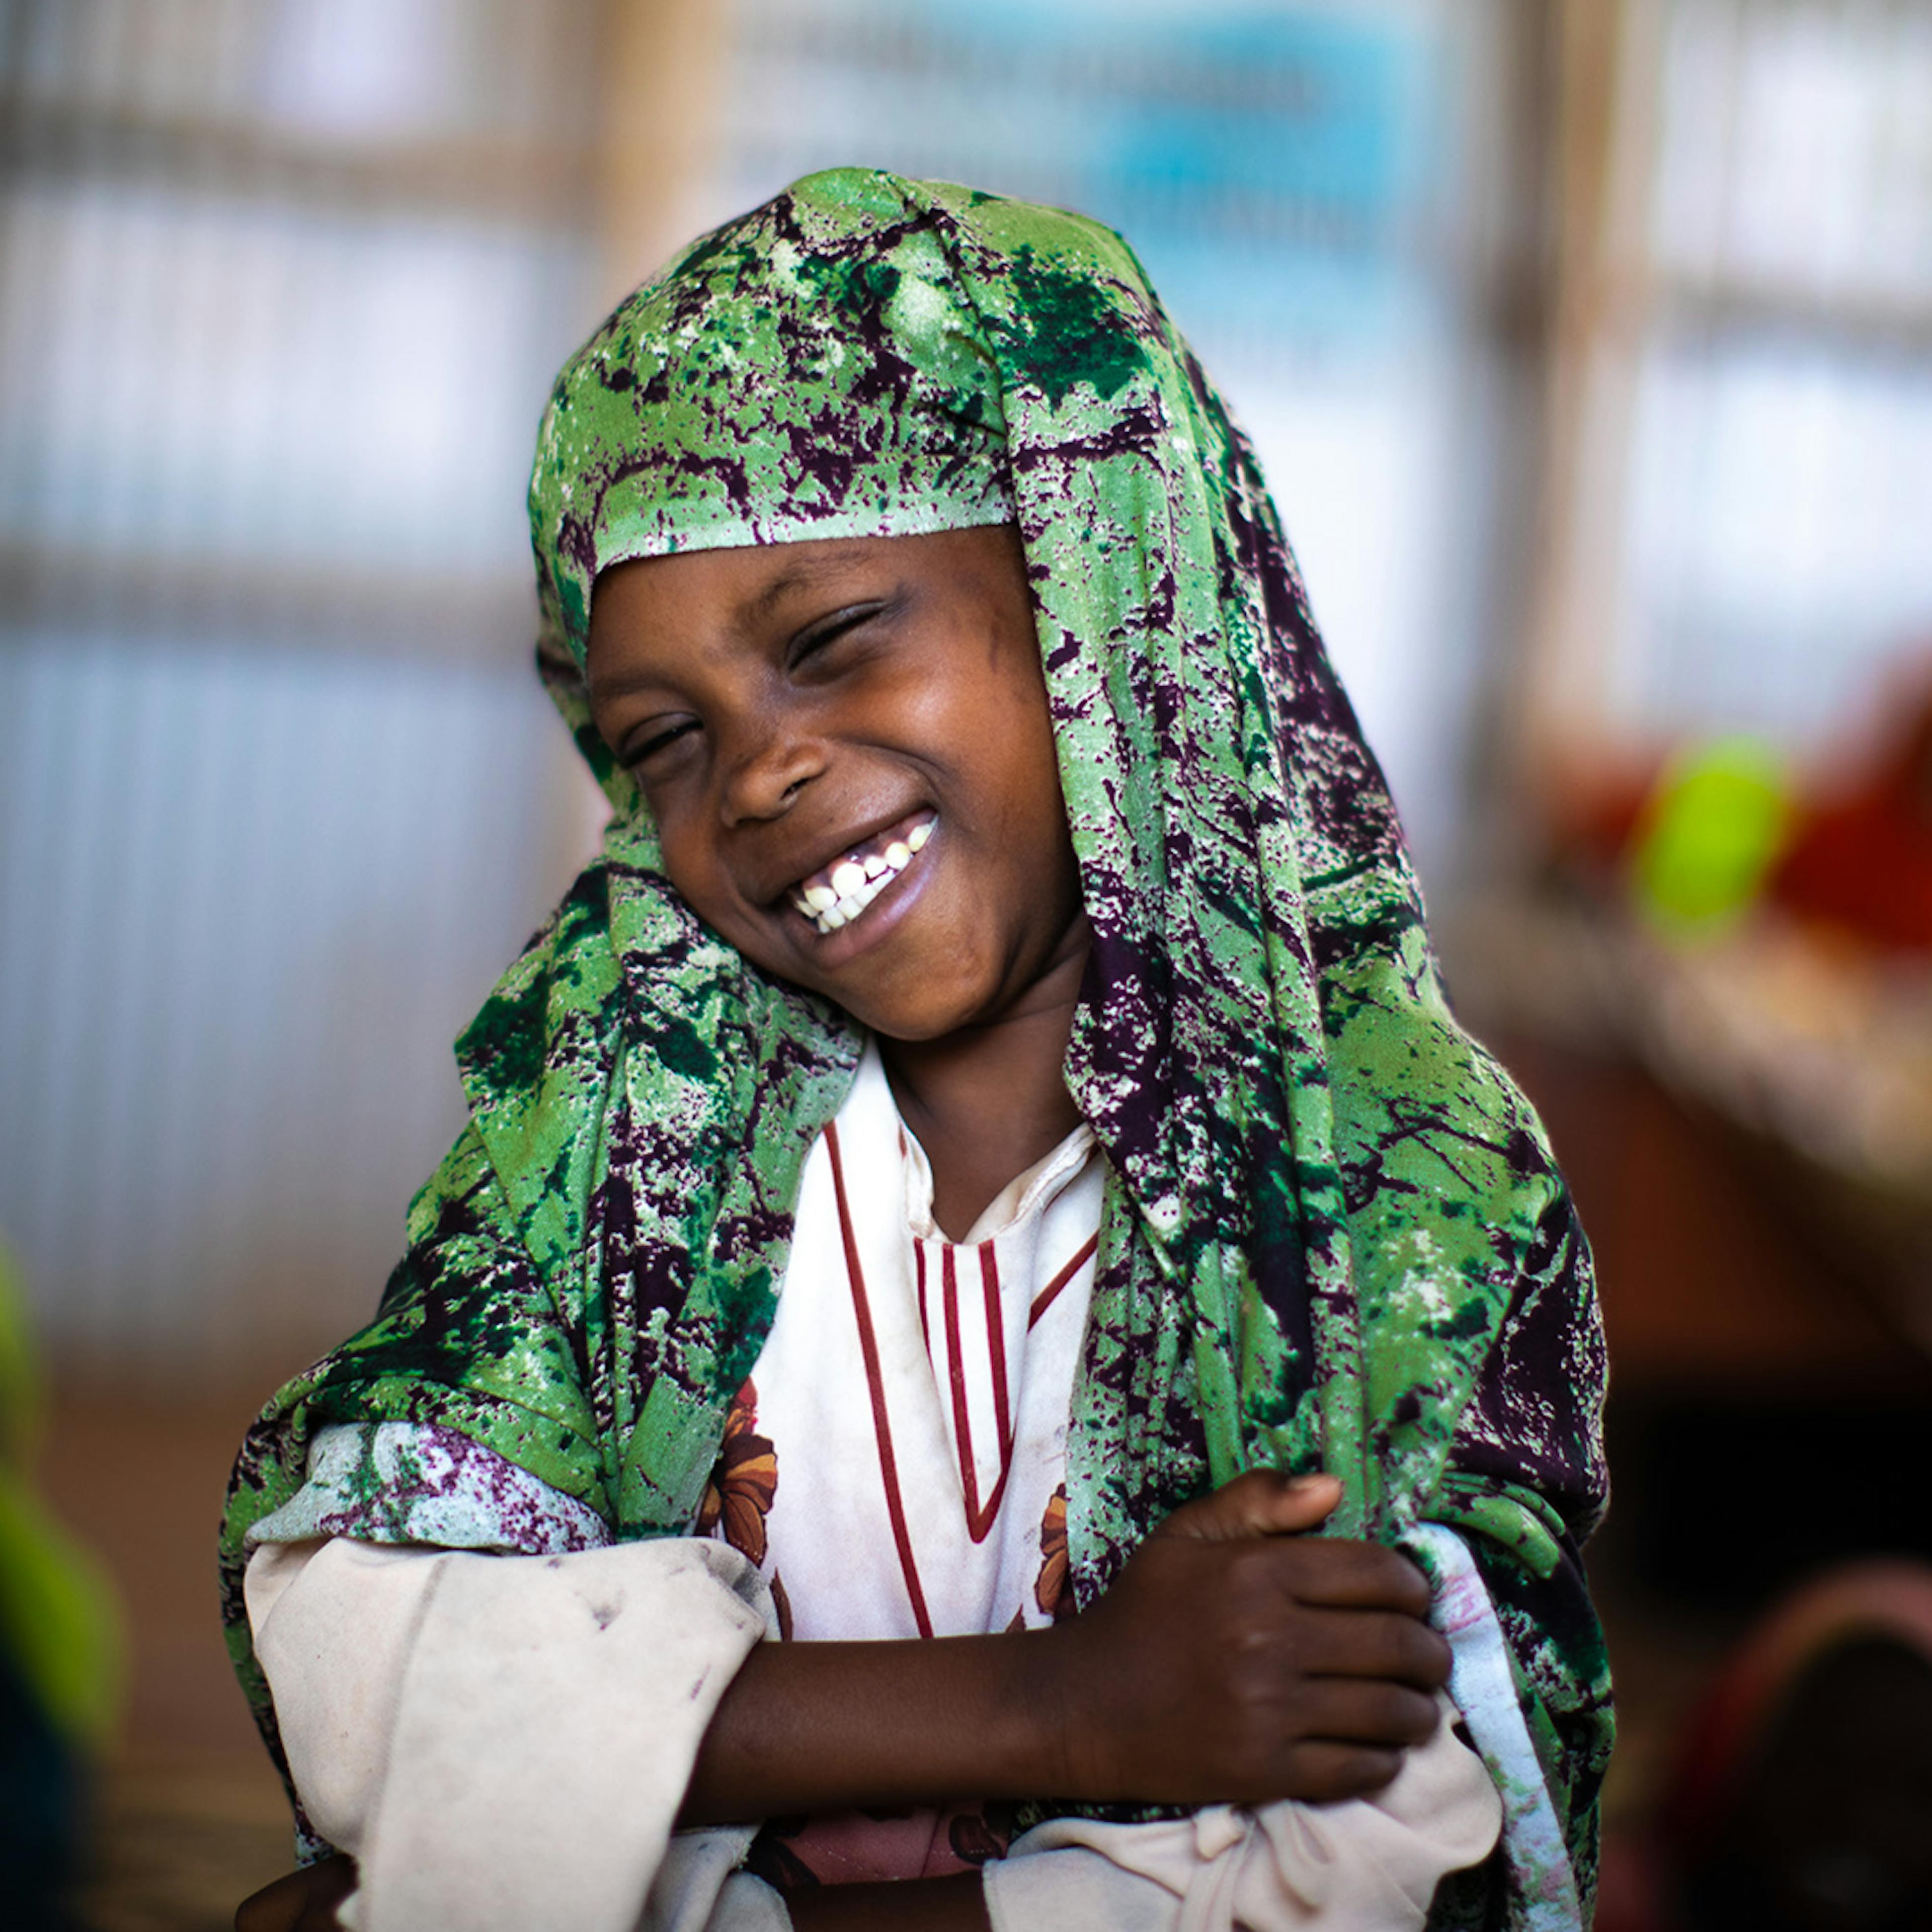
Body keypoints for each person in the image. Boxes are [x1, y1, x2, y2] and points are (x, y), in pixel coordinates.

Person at [221, 169, 1613, 1932]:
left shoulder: (1378, 1178)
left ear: (1093, 590)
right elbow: (364, 1660)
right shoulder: (633, 1128)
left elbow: (1412, 1841)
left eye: (830, 642)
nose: (756, 776)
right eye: (662, 739)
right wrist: (1069, 1701)